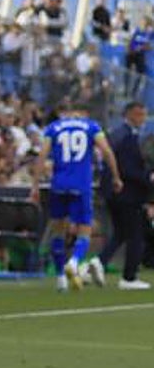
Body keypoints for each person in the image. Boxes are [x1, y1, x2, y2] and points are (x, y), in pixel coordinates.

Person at [30, 103, 121, 291]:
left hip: (59, 184)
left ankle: (60, 278)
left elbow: (42, 156)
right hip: (81, 185)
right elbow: (107, 151)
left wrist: (35, 184)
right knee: (85, 228)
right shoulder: (91, 126)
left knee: (58, 229)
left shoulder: (53, 128)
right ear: (81, 113)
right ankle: (74, 261)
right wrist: (116, 176)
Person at [98, 101, 152, 289]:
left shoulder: (119, 134)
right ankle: (129, 277)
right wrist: (149, 177)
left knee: (121, 233)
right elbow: (127, 169)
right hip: (126, 194)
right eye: (139, 114)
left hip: (116, 192)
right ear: (129, 114)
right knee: (136, 234)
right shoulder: (126, 137)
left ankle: (97, 263)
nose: (143, 119)